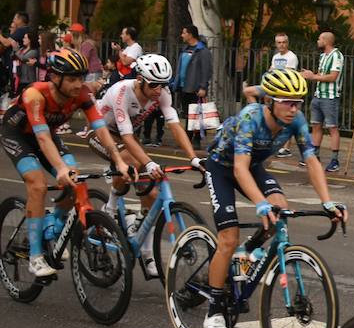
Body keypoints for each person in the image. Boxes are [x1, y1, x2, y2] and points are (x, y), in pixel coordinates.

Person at [200, 69, 345, 328]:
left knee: (280, 209)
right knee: (229, 237)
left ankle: (246, 254)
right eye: (287, 102)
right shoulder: (251, 118)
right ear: (269, 101)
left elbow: (311, 160)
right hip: (222, 168)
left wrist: (327, 202)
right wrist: (259, 204)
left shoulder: (296, 120)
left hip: (252, 167)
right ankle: (214, 311)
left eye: (298, 102)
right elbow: (239, 168)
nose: (294, 109)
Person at [1, 48, 131, 277]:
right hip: (18, 135)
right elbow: (42, 138)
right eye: (72, 79)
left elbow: (101, 129)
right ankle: (35, 257)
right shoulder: (35, 94)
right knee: (38, 185)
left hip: (47, 135)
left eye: (81, 78)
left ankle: (54, 225)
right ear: (54, 77)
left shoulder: (82, 94)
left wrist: (119, 161)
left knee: (75, 179)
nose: (78, 84)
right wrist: (60, 168)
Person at [90, 54, 203, 276]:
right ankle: (109, 208)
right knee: (130, 161)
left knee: (151, 195)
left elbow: (175, 126)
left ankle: (146, 250)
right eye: (154, 85)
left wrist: (193, 158)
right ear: (140, 79)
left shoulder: (161, 92)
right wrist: (149, 163)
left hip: (125, 136)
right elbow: (127, 137)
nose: (159, 90)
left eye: (163, 85)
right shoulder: (122, 92)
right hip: (102, 133)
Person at [299, 30, 345, 173]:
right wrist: (310, 75)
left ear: (326, 41)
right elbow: (321, 75)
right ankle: (315, 156)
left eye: (319, 39)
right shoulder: (323, 56)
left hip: (330, 97)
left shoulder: (336, 55)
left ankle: (334, 160)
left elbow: (333, 77)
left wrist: (313, 77)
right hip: (318, 95)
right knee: (316, 125)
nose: (318, 41)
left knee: (332, 127)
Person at [172, 25, 213, 149]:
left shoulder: (202, 51)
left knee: (196, 115)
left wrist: (203, 87)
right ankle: (187, 138)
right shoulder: (185, 49)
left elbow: (206, 70)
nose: (182, 35)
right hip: (184, 86)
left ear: (190, 34)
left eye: (184, 33)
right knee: (187, 114)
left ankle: (196, 139)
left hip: (195, 88)